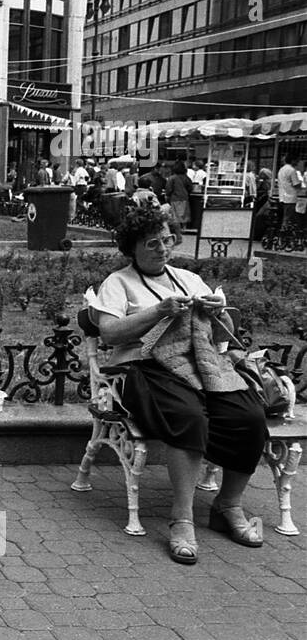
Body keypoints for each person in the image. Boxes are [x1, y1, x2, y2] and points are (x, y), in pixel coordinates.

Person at [90, 206, 269, 565]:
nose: (162, 248)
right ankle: (182, 518)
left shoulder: (188, 278)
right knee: (188, 415)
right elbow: (109, 333)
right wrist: (159, 311)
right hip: (142, 369)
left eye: (168, 240)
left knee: (249, 416)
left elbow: (219, 332)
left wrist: (218, 309)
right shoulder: (118, 283)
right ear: (132, 248)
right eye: (152, 242)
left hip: (199, 365)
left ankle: (227, 505)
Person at [276, 153, 304, 236]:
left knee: (285, 216)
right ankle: (284, 234)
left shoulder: (281, 169)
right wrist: (301, 183)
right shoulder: (292, 170)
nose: (298, 162)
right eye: (297, 160)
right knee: (288, 217)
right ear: (292, 160)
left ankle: (283, 232)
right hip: (290, 196)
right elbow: (296, 184)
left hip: (282, 196)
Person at [165, 158, 192, 231]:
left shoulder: (172, 178)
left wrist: (167, 195)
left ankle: (177, 229)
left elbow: (168, 189)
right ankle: (184, 228)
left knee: (175, 215)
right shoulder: (186, 178)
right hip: (184, 198)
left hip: (175, 198)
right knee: (184, 214)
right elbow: (190, 188)